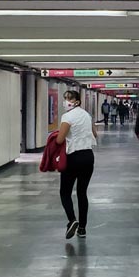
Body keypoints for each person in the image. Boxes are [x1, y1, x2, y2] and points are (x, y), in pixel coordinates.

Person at [56, 90, 97, 239]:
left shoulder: (67, 116)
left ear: (76, 101)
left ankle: (72, 220)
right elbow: (95, 134)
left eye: (69, 99)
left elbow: (60, 139)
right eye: (65, 98)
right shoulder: (87, 115)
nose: (66, 101)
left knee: (65, 192)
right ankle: (82, 228)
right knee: (82, 193)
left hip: (73, 157)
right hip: (88, 157)